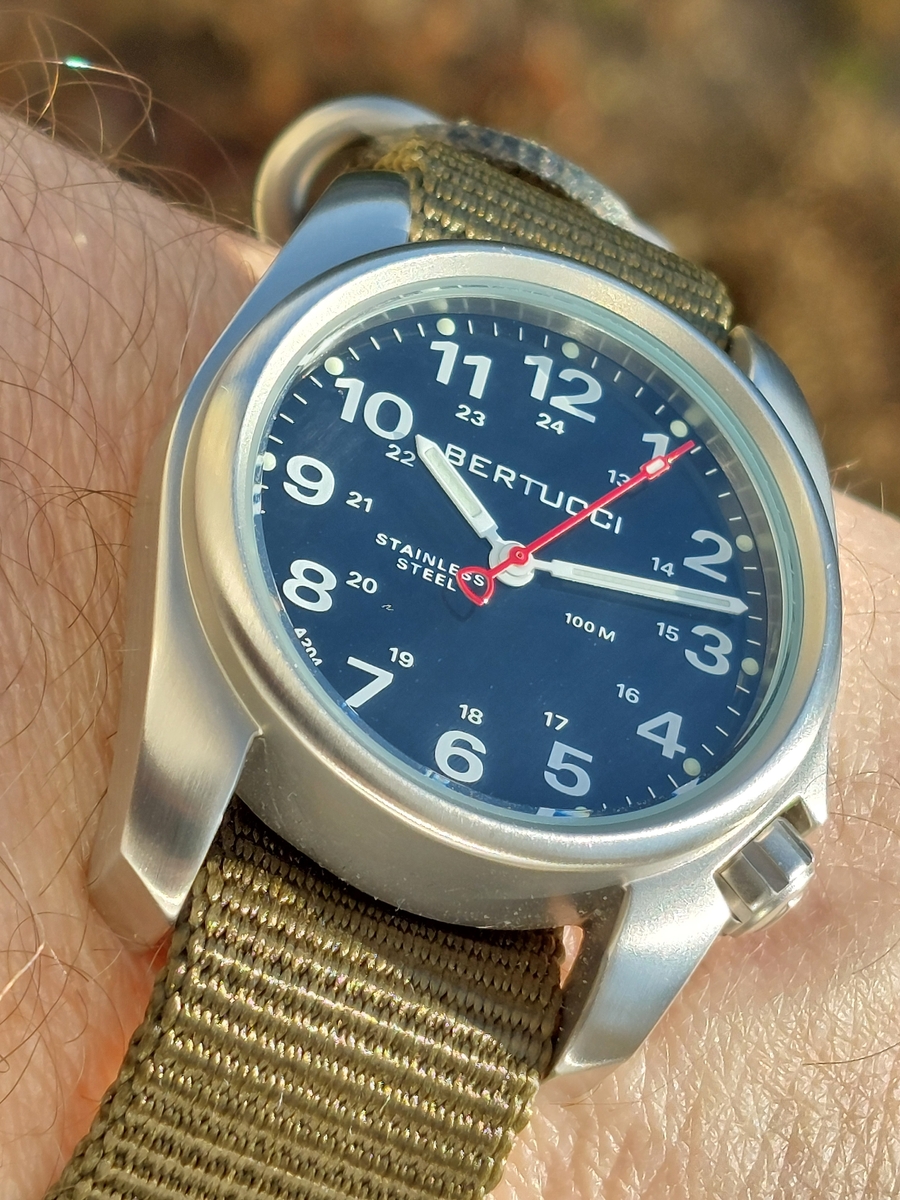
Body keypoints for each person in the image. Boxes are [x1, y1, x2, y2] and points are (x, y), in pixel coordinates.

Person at [0, 110, 896, 1200]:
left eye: (526, 561)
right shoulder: (382, 235)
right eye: (506, 557)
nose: (514, 564)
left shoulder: (394, 236)